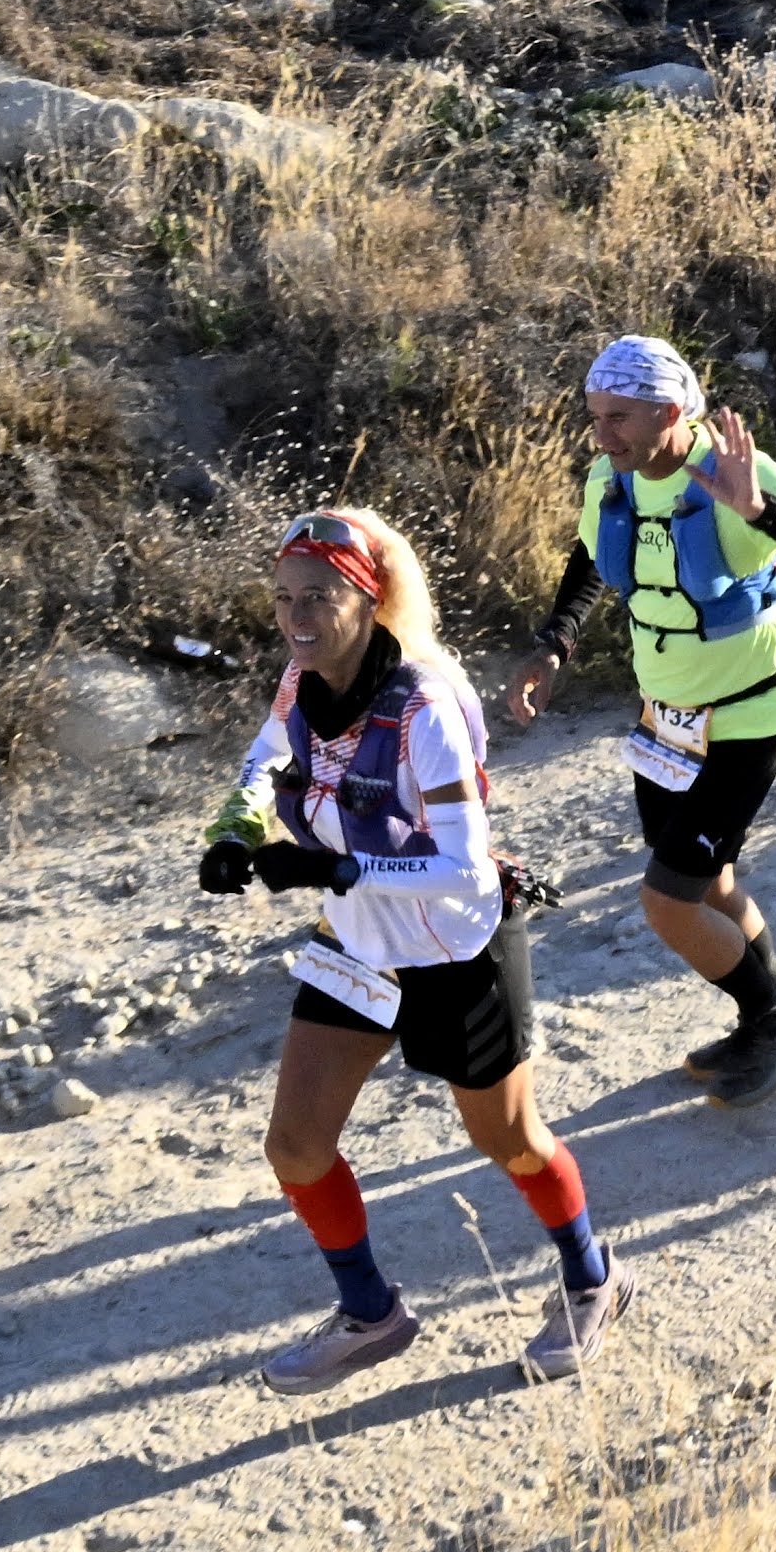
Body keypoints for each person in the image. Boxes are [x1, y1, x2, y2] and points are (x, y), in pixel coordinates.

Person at [208, 506, 620, 1390]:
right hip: (358, 943)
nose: (296, 617)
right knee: (295, 1146)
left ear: (370, 600)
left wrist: (332, 866)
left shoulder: (425, 703)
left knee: (508, 1139)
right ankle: (371, 1314)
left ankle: (593, 1279)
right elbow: (264, 756)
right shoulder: (301, 680)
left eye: (318, 597)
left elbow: (460, 865)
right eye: (282, 597)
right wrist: (235, 830)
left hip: (455, 943)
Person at [504, 334, 776, 1106]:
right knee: (709, 884)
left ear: (671, 412)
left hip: (749, 713)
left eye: (618, 418)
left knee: (668, 900)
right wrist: (555, 644)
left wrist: (761, 510)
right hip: (666, 717)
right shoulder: (613, 476)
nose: (601, 435)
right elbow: (591, 556)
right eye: (595, 417)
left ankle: (774, 1014)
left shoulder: (737, 471)